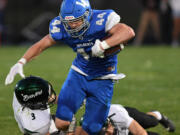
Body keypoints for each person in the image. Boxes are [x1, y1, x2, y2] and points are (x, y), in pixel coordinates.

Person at [5, 0, 135, 134]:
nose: (72, 25)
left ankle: (114, 125)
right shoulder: (60, 27)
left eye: (77, 20)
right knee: (61, 123)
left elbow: (128, 32)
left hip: (103, 78)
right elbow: (41, 44)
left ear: (87, 15)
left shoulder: (100, 20)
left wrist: (104, 45)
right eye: (68, 22)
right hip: (78, 74)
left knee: (91, 130)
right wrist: (21, 61)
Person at [78, 104, 175, 135]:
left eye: (107, 130)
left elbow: (140, 133)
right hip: (122, 132)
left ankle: (157, 115)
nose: (108, 132)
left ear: (108, 123)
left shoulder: (117, 114)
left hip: (128, 116)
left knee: (151, 121)